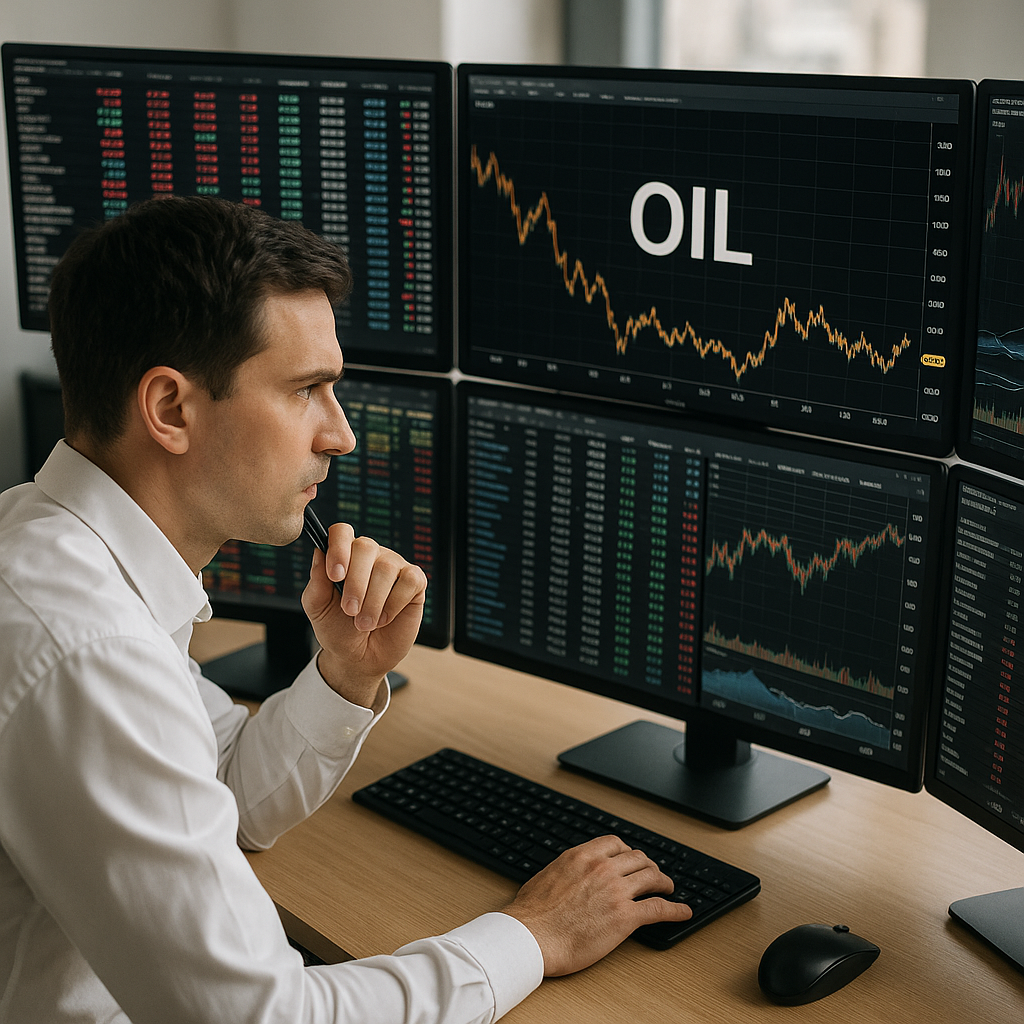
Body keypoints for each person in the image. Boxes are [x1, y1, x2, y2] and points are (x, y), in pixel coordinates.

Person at [0, 195, 691, 1024]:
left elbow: (218, 793)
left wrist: (346, 671)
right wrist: (529, 935)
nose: (342, 434)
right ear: (171, 409)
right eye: (308, 390)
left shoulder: (49, 546)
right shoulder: (88, 647)